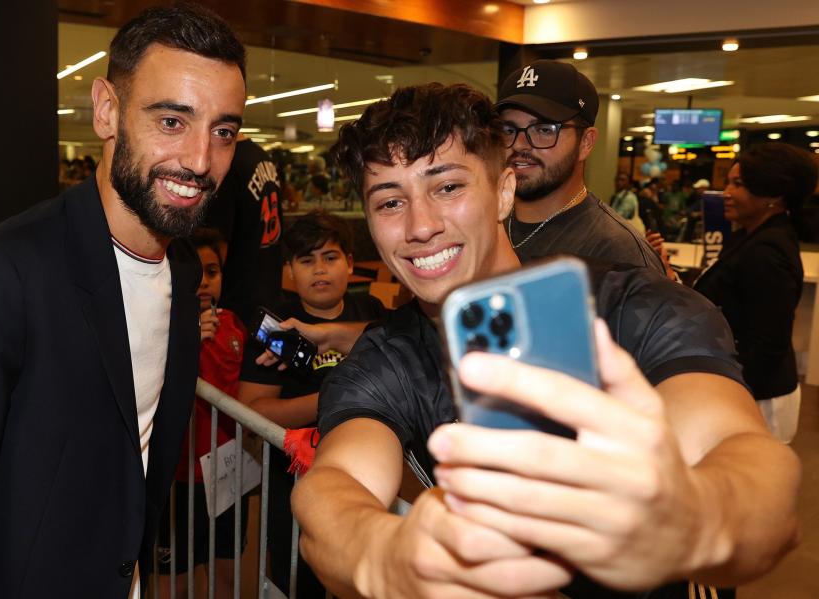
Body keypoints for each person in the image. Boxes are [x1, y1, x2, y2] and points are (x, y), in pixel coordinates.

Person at [292, 83, 800, 599]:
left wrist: (694, 518)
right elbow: (334, 489)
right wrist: (385, 556)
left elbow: (746, 460)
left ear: (505, 191)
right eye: (390, 202)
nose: (420, 226)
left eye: (447, 188)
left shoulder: (631, 308)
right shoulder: (387, 358)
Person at [0, 5, 247, 598]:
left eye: (223, 130)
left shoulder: (182, 267)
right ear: (106, 111)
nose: (200, 160)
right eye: (172, 121)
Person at [238, 210, 385, 597]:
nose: (320, 270)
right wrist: (336, 398)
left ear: (351, 264)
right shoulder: (278, 332)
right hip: (293, 482)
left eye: (331, 257)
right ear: (290, 270)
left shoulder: (370, 315)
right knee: (298, 578)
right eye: (306, 260)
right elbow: (253, 409)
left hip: (369, 477)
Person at [693, 143, 818, 444]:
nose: (726, 192)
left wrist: (735, 398)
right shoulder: (748, 237)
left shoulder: (766, 251)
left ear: (772, 196)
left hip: (758, 399)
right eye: (728, 182)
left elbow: (768, 344)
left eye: (739, 184)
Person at [496, 60, 664, 273]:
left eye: (544, 130)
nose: (519, 144)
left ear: (586, 142)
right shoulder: (487, 227)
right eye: (508, 130)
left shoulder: (619, 253)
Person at [157, 228, 247, 599]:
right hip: (174, 477)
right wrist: (186, 337)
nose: (204, 283)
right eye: (194, 274)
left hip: (226, 473)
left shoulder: (235, 325)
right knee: (173, 581)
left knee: (226, 574)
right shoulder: (157, 330)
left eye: (212, 272)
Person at [204, 136, 285, 319]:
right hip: (268, 288)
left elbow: (217, 244)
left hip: (237, 298)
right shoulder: (263, 156)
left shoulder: (227, 162)